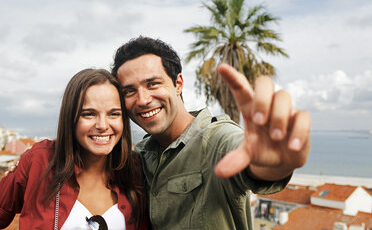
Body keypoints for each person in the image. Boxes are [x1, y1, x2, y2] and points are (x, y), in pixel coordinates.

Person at [111, 36, 311, 230]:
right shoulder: (141, 155)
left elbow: (251, 160)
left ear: (178, 83)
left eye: (152, 83)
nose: (143, 99)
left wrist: (273, 161)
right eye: (129, 91)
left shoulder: (216, 139)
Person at [0, 69, 148, 230]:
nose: (103, 126)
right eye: (89, 114)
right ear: (70, 118)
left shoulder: (137, 171)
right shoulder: (40, 160)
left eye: (114, 114)